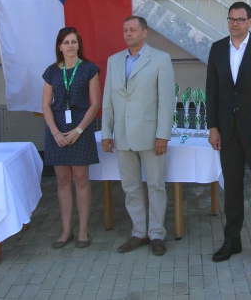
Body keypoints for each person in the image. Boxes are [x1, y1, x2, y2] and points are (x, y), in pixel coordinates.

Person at [206, 1, 251, 268]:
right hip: (227, 132)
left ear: (250, 22)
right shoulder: (216, 49)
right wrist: (213, 127)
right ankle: (232, 240)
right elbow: (211, 91)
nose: (234, 24)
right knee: (232, 190)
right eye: (230, 19)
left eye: (239, 19)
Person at [101, 16, 175, 256]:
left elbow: (166, 101)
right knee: (130, 187)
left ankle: (156, 234)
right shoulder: (114, 61)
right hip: (122, 134)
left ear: (145, 32)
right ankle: (138, 233)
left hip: (151, 134)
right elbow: (108, 100)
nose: (128, 33)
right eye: (125, 30)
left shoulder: (161, 59)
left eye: (133, 29)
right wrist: (106, 132)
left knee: (155, 186)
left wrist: (163, 134)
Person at [41, 27, 101, 249]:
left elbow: (95, 103)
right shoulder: (51, 72)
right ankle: (66, 230)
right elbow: (46, 105)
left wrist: (78, 130)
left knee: (82, 179)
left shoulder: (89, 69)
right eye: (66, 42)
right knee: (63, 181)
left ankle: (83, 230)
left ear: (79, 45)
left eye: (74, 42)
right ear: (59, 46)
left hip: (80, 129)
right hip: (56, 130)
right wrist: (56, 133)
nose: (70, 46)